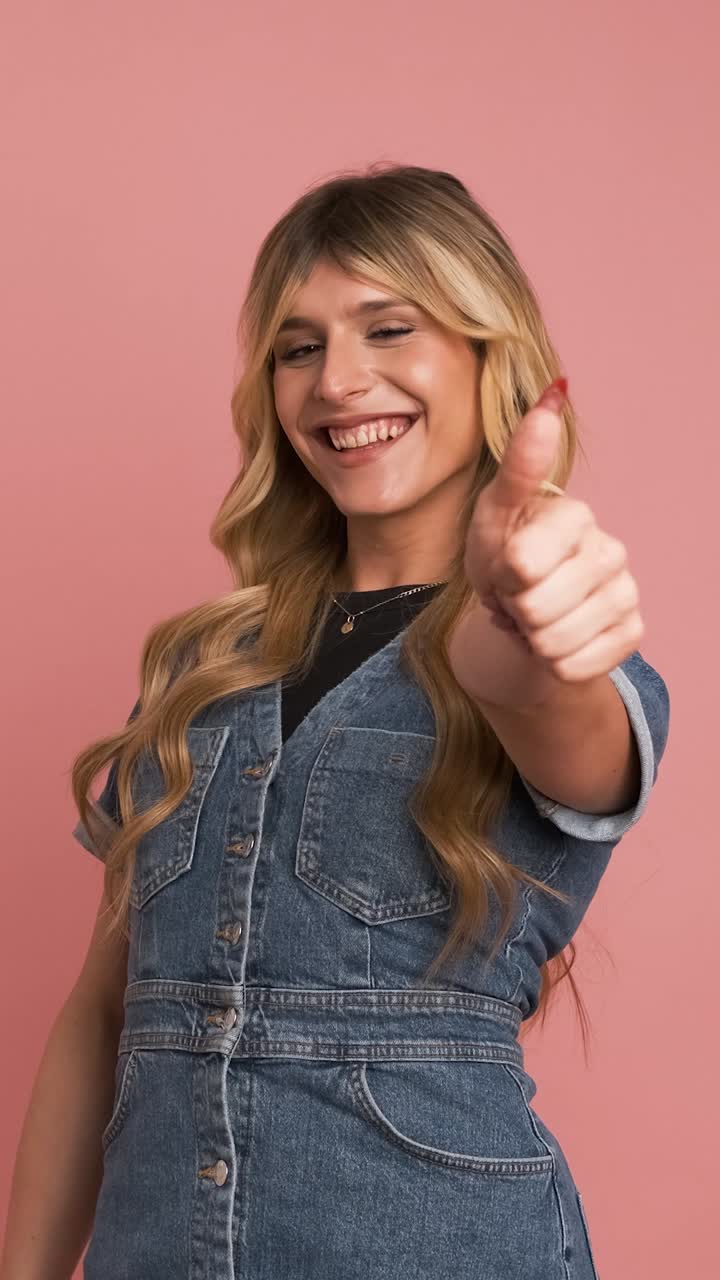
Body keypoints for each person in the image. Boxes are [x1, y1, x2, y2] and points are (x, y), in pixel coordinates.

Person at [2, 164, 670, 1279]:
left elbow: (533, 690)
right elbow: (102, 1008)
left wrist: (523, 610)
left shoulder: (559, 661)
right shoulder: (196, 669)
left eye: (389, 327)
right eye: (298, 347)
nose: (338, 381)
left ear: (485, 350)